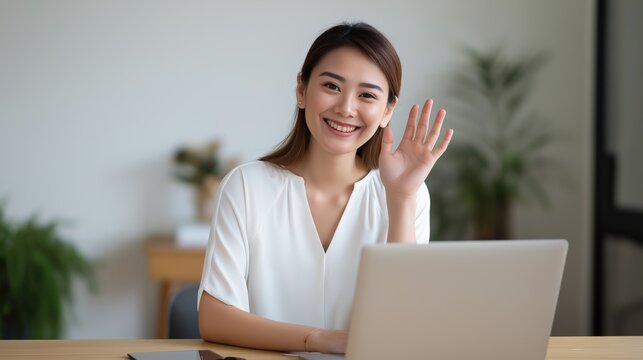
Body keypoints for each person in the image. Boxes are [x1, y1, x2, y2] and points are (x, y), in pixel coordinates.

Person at [197, 22, 453, 354]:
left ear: (388, 110)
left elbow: (404, 326)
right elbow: (215, 318)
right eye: (332, 86)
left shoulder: (408, 194)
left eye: (367, 95)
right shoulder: (246, 186)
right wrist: (318, 339)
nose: (346, 108)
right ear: (301, 91)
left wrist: (401, 197)